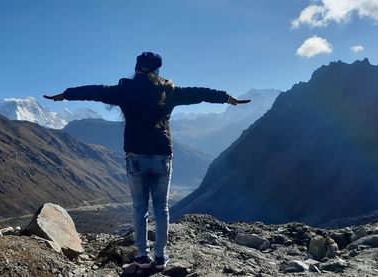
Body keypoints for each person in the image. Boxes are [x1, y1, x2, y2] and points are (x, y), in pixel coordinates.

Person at [44, 52, 250, 270]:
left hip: (136, 157)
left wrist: (65, 95)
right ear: (157, 70)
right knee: (162, 208)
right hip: (162, 156)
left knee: (139, 208)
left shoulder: (124, 90)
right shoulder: (168, 91)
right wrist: (227, 98)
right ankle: (160, 257)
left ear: (137, 68)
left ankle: (142, 256)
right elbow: (199, 93)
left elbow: (95, 91)